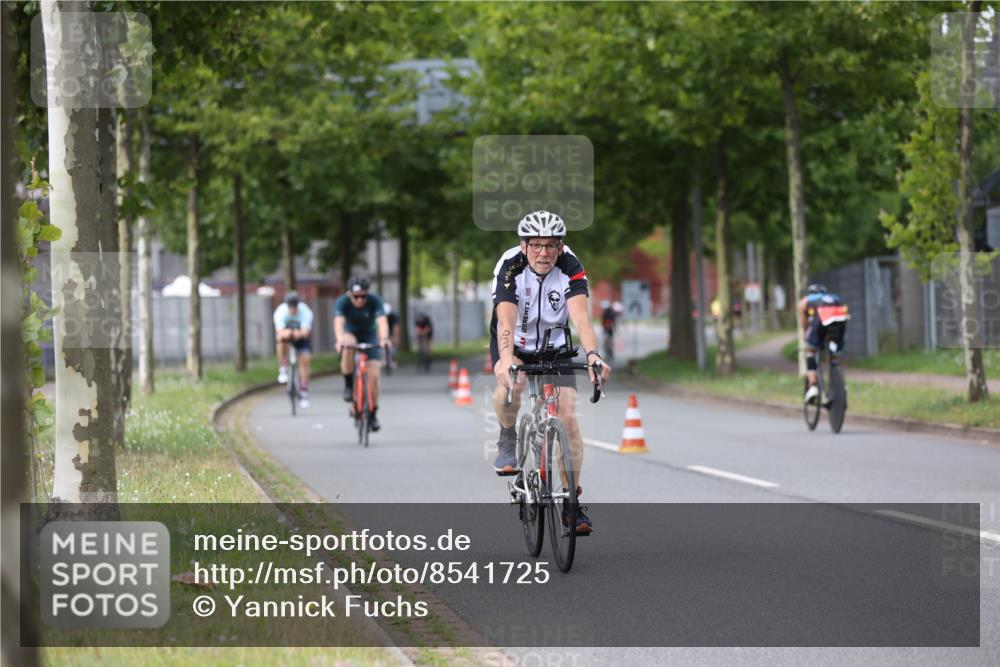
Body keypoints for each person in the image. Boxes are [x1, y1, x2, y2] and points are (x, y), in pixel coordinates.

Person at [490, 210, 612, 535]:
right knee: (510, 385)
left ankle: (572, 503)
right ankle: (507, 437)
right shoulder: (510, 266)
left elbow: (582, 319)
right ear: (523, 246)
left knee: (568, 418)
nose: (543, 253)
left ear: (560, 246)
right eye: (536, 246)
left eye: (551, 245)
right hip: (514, 341)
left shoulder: (570, 265)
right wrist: (506, 360)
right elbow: (506, 322)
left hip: (555, 345)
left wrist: (593, 355)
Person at [334, 276, 391, 431]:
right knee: (347, 346)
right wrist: (339, 340)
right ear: (349, 294)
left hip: (369, 335)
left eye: (363, 296)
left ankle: (373, 413)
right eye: (356, 297)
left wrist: (384, 339)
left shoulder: (375, 301)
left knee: (373, 376)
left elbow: (382, 321)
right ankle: (348, 384)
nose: (360, 300)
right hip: (351, 333)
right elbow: (339, 323)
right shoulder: (342, 302)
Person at [799, 283, 849, 404]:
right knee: (834, 353)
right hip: (840, 318)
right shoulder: (834, 297)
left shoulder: (806, 300)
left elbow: (804, 323)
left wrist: (808, 335)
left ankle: (813, 387)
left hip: (821, 319)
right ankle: (840, 384)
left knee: (810, 351)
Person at [273, 291, 313, 409]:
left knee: (304, 361)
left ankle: (304, 391)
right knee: (280, 342)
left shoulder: (305, 311)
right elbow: (279, 333)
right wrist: (289, 333)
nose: (293, 309)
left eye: (295, 306)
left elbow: (305, 332)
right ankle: (283, 369)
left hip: (301, 338)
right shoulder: (280, 312)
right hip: (287, 337)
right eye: (290, 307)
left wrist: (297, 333)